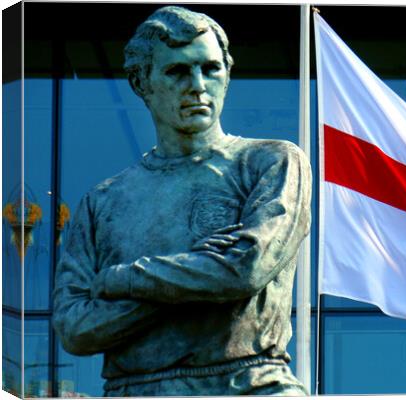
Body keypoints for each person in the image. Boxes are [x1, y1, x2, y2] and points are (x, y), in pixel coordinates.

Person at [52, 6, 311, 396]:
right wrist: (202, 277)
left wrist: (124, 279)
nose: (198, 84)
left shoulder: (271, 161)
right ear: (142, 82)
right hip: (134, 390)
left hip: (250, 385)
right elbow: (75, 329)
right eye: (177, 71)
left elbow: (246, 269)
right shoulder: (103, 202)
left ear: (227, 75)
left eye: (211, 69)